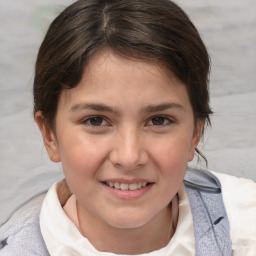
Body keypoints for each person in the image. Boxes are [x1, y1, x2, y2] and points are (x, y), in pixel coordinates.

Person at [0, 0, 255, 255]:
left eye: (159, 120)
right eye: (96, 120)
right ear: (50, 135)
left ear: (195, 133)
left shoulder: (245, 227)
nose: (129, 157)